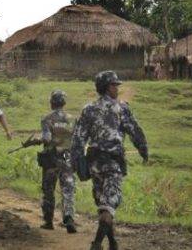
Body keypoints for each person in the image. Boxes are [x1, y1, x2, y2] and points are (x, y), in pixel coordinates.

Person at [71, 71, 148, 250]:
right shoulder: (121, 108)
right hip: (113, 163)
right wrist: (143, 150)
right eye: (114, 85)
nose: (117, 89)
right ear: (106, 87)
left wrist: (77, 161)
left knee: (103, 204)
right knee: (109, 204)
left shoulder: (88, 109)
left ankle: (113, 243)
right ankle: (97, 244)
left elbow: (78, 139)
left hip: (94, 164)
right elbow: (135, 132)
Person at [26, 90, 77, 233]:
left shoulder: (47, 119)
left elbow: (47, 138)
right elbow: (77, 140)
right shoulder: (72, 119)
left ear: (52, 103)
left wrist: (36, 141)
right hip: (67, 156)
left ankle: (48, 221)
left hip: (52, 158)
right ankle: (69, 218)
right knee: (68, 188)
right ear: (64, 103)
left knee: (49, 189)